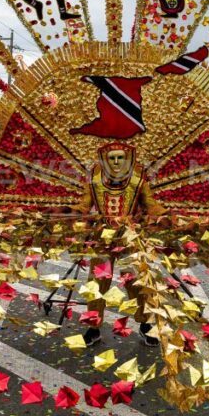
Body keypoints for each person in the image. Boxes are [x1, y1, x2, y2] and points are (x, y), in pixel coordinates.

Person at [77, 142, 165, 347]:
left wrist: (166, 216)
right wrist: (70, 212)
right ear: (104, 160)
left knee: (135, 282)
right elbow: (83, 204)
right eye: (112, 158)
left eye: (120, 158)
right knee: (97, 284)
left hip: (129, 238)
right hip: (103, 238)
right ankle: (93, 328)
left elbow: (151, 205)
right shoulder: (95, 179)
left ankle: (145, 325)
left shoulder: (138, 179)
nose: (116, 162)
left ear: (128, 159)